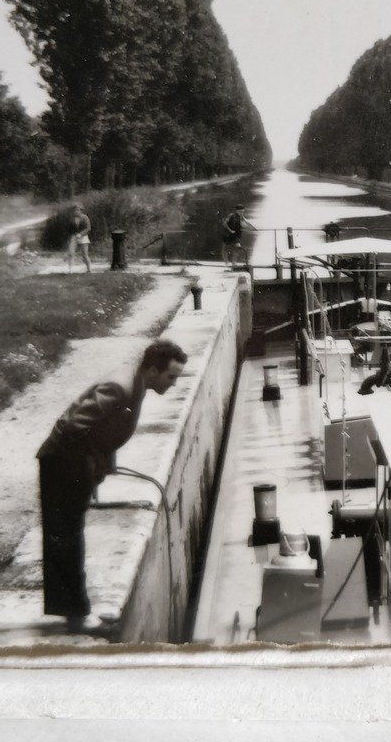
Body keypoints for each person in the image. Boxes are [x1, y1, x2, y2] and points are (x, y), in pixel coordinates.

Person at [37, 339, 188, 635]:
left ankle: (72, 612)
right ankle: (77, 617)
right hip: (62, 463)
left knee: (66, 537)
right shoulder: (121, 387)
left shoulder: (137, 382)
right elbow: (73, 426)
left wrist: (103, 462)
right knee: (66, 539)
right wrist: (88, 465)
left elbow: (106, 427)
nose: (173, 384)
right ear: (153, 370)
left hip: (71, 464)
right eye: (171, 377)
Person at [220, 204, 254, 269]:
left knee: (238, 248)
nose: (242, 213)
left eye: (243, 212)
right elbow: (225, 223)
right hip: (228, 234)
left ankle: (233, 263)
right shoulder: (231, 216)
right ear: (237, 211)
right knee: (225, 249)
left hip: (236, 235)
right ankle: (226, 263)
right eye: (241, 212)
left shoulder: (241, 216)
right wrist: (230, 230)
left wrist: (254, 227)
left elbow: (246, 222)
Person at [68, 204, 92, 274]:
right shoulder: (72, 219)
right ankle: (70, 270)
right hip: (74, 236)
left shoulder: (85, 218)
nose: (76, 212)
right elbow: (69, 229)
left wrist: (81, 234)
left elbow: (88, 228)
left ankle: (89, 269)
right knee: (71, 253)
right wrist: (71, 237)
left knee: (84, 255)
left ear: (81, 211)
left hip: (83, 237)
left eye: (77, 210)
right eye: (75, 210)